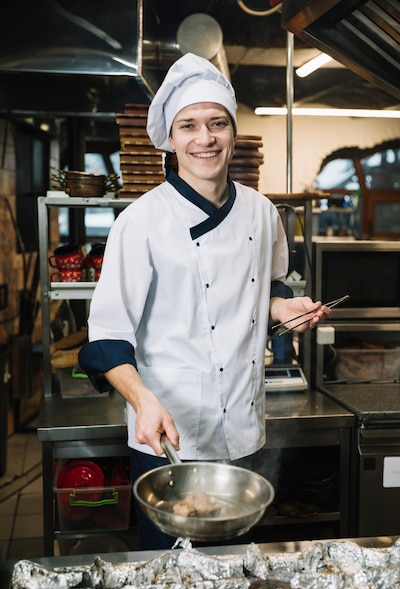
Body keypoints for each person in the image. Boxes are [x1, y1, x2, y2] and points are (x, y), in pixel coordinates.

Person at [78, 52, 330, 550]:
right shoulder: (141, 222)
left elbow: (270, 286)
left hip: (242, 424)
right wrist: (141, 401)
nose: (205, 138)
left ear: (233, 131)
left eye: (217, 123)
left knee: (236, 568)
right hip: (167, 433)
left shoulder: (262, 213)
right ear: (171, 139)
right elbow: (108, 338)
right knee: (173, 571)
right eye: (189, 126)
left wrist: (283, 309)